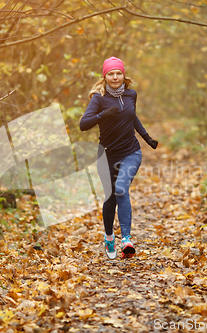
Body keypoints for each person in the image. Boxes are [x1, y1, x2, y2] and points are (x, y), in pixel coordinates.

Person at [79, 57, 158, 259]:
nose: (115, 77)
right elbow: (84, 124)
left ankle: (126, 239)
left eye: (118, 73)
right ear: (105, 76)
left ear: (124, 75)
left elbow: (132, 116)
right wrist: (103, 115)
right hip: (106, 155)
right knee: (111, 197)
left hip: (131, 151)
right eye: (111, 74)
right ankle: (108, 236)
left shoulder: (131, 94)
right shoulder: (99, 98)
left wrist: (146, 137)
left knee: (121, 188)